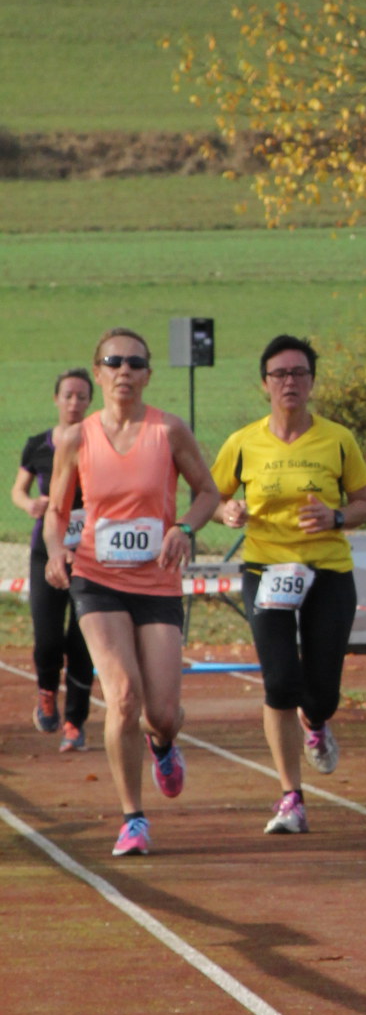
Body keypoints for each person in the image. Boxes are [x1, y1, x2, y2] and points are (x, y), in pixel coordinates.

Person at [44, 329, 217, 859]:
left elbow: (207, 492)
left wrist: (183, 528)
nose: (124, 370)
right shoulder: (77, 438)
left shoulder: (168, 430)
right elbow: (56, 511)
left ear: (147, 374)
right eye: (113, 361)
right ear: (98, 372)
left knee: (160, 711)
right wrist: (54, 552)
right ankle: (133, 818)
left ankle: (163, 743)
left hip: (157, 580)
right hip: (96, 578)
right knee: (122, 695)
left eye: (135, 363)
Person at [210, 336, 366, 836]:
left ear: (312, 382)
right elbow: (211, 498)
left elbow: (365, 502)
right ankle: (291, 797)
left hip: (327, 570)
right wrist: (227, 511)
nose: (289, 382)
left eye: (299, 373)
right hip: (266, 570)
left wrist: (336, 516)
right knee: (281, 683)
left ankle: (316, 722)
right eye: (280, 374)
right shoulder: (242, 443)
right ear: (265, 384)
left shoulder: (337, 439)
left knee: (321, 693)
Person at [12, 368, 95, 751]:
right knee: (48, 639)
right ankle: (47, 692)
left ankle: (75, 722)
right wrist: (30, 504)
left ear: (90, 401)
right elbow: (18, 489)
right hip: (47, 551)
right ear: (56, 399)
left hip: (90, 555)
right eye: (68, 396)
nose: (74, 403)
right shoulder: (38, 445)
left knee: (82, 641)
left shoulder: (99, 444)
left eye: (82, 396)